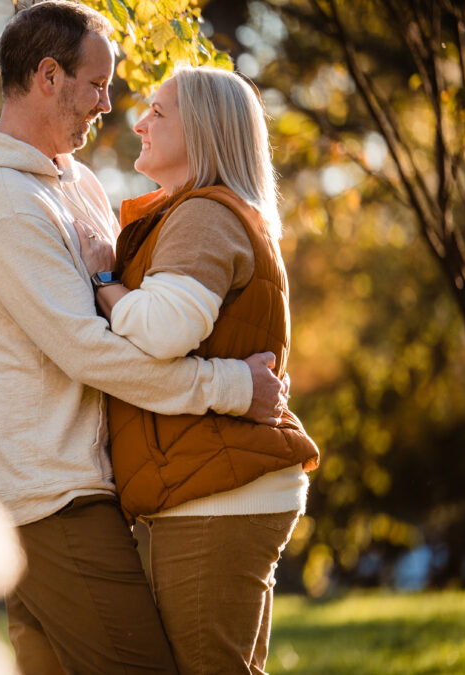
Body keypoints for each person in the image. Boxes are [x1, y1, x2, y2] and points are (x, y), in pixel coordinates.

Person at [0, 3, 289, 673]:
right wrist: (233, 386)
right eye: (95, 84)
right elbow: (90, 348)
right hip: (47, 495)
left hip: (75, 486)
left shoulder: (78, 184)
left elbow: (120, 306)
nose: (107, 101)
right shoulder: (1, 202)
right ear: (47, 76)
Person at [73, 66, 321, 674]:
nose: (139, 122)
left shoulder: (204, 215)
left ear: (205, 130)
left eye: (159, 112)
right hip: (214, 481)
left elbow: (161, 329)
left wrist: (105, 283)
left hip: (217, 491)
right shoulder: (197, 213)